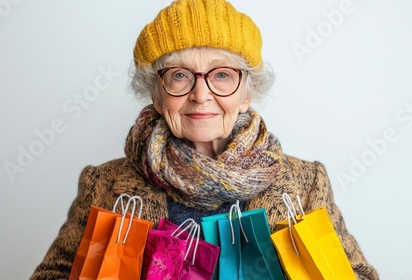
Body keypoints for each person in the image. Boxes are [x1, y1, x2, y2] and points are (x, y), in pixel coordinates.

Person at [30, 0, 378, 279]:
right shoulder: (105, 186)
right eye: (180, 75)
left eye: (222, 75)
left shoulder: (305, 185)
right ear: (156, 92)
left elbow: (359, 275)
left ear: (247, 91)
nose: (200, 95)